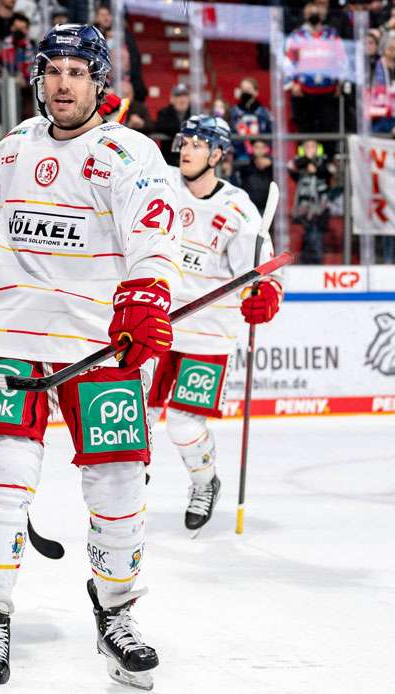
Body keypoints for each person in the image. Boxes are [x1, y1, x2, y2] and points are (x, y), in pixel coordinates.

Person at [0, 23, 181, 689]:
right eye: (53, 69)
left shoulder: (127, 151)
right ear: (37, 77)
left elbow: (154, 231)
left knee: (117, 495)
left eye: (77, 71)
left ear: (99, 82)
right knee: (0, 486)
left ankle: (115, 613)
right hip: (10, 342)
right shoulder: (8, 152)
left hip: (97, 347)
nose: (63, 82)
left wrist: (147, 292)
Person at [152, 115, 280, 534]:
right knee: (139, 415)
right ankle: (130, 485)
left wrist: (265, 295)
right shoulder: (162, 183)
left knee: (185, 425)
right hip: (157, 323)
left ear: (218, 155)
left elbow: (263, 274)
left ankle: (205, 482)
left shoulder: (238, 209)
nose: (185, 150)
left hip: (208, 333)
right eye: (183, 142)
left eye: (196, 144)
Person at [285, 1, 348, 138]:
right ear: (305, 15)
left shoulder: (332, 35)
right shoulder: (296, 36)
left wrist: (340, 82)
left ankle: (330, 158)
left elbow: (342, 60)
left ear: (323, 15)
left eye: (317, 13)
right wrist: (292, 83)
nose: (314, 15)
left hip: (329, 91)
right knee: (305, 129)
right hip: (303, 91)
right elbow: (288, 62)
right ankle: (305, 158)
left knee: (329, 127)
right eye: (310, 13)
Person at [289, 139, 334, 265]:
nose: (310, 149)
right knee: (308, 236)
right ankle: (308, 263)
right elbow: (291, 168)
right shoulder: (299, 162)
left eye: (313, 146)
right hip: (303, 208)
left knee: (315, 235)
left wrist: (315, 168)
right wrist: (307, 160)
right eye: (307, 146)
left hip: (320, 207)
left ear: (318, 148)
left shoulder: (324, 161)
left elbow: (329, 171)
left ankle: (315, 262)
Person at [228, 78, 274, 172]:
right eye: (243, 89)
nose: (245, 92)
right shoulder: (233, 112)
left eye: (248, 89)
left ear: (256, 92)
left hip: (261, 159)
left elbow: (271, 136)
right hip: (239, 159)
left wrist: (267, 156)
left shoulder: (264, 112)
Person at [156, 83, 193, 164]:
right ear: (172, 99)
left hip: (191, 158)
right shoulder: (164, 112)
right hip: (170, 159)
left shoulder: (195, 113)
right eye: (178, 96)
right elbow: (161, 127)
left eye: (185, 96)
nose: (182, 99)